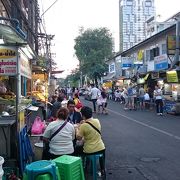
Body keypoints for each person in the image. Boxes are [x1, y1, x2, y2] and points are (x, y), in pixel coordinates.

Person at [76, 106, 106, 176]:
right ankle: (102, 169)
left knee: (76, 149)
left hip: (90, 150)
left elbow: (78, 138)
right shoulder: (97, 121)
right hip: (101, 148)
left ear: (82, 115)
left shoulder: (83, 126)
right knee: (101, 152)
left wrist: (78, 128)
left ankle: (84, 168)